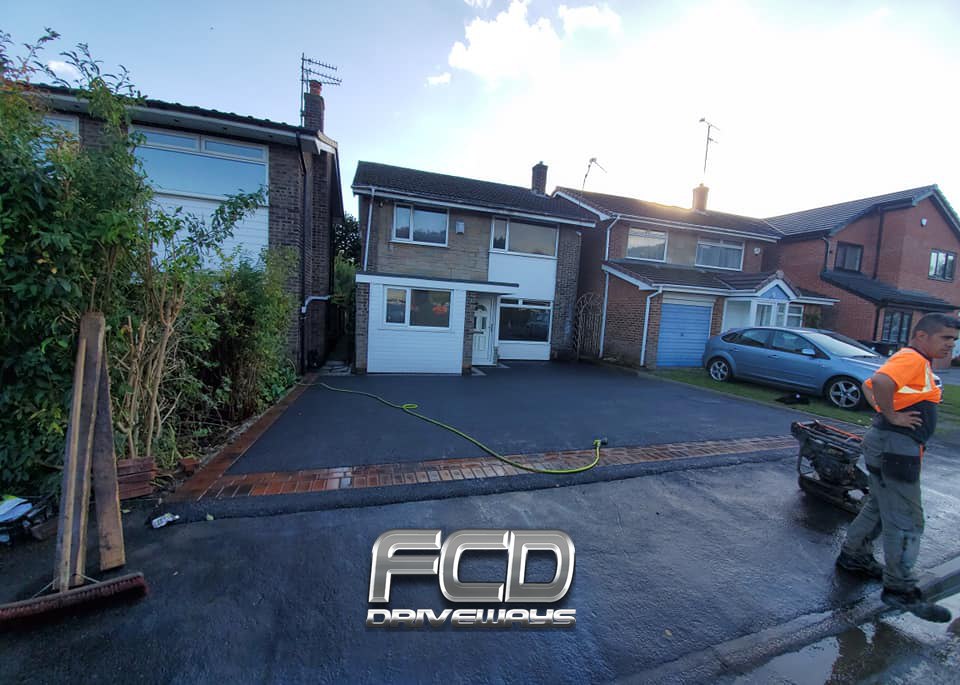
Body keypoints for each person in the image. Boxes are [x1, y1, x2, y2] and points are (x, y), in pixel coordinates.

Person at [835, 312, 960, 623]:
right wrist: (892, 416)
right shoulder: (913, 358)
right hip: (896, 447)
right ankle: (899, 589)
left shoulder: (915, 360)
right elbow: (879, 382)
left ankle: (853, 557)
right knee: (907, 520)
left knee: (878, 506)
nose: (951, 345)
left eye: (954, 340)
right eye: (946, 338)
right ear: (922, 336)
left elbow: (869, 386)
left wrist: (885, 410)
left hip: (889, 444)